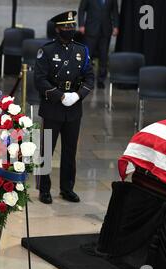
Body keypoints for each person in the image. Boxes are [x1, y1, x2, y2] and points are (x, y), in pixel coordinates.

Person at [34, 10, 94, 204]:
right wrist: (60, 96)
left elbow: (90, 77)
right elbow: (40, 80)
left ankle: (67, 188)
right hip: (53, 106)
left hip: (74, 108)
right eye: (66, 27)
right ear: (57, 29)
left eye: (72, 26)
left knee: (70, 151)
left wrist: (78, 95)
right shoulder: (47, 50)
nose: (70, 29)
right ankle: (44, 189)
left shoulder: (81, 50)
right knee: (47, 151)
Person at [78, 0, 119, 89]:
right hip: (90, 30)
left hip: (106, 31)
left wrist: (116, 26)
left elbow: (115, 12)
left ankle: (101, 80)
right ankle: (88, 80)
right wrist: (81, 25)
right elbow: (81, 10)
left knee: (103, 56)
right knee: (88, 56)